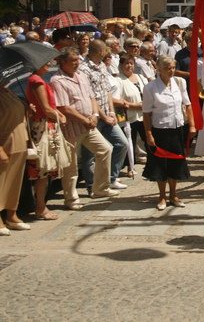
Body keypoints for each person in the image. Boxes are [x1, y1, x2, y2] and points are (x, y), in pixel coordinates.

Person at [51, 48, 116, 204]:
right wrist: (84, 119)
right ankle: (71, 198)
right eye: (73, 61)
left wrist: (94, 115)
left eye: (78, 60)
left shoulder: (81, 75)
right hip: (71, 128)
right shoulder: (57, 80)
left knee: (105, 149)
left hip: (89, 125)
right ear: (63, 62)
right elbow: (64, 107)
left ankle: (100, 188)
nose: (77, 63)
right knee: (71, 165)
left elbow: (92, 97)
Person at [142, 55, 195, 210]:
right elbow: (146, 113)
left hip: (177, 128)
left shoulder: (180, 82)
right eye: (167, 68)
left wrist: (192, 126)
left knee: (176, 163)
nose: (171, 71)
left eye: (173, 67)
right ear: (159, 69)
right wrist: (149, 134)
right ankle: (162, 196)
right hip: (160, 130)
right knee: (161, 164)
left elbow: (188, 104)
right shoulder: (150, 87)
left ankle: (173, 194)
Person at [79, 40, 129, 192]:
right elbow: (90, 96)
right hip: (93, 116)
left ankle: (111, 178)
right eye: (105, 49)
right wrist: (102, 115)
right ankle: (91, 185)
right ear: (100, 51)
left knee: (121, 144)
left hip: (107, 115)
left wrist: (111, 112)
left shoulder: (101, 65)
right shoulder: (84, 69)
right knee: (89, 155)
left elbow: (107, 90)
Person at [26, 60, 67, 220]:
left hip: (44, 125)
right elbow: (46, 109)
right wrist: (60, 116)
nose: (48, 64)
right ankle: (40, 207)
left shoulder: (36, 80)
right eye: (44, 62)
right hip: (43, 127)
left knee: (45, 170)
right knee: (43, 170)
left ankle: (41, 205)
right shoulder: (36, 81)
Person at [0, 79, 31, 234]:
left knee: (15, 181)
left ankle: (12, 215)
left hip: (19, 141)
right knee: (1, 182)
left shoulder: (8, 91)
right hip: (5, 142)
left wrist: (27, 109)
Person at [115, 53, 148, 178]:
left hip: (144, 115)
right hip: (129, 116)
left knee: (147, 138)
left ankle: (154, 162)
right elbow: (117, 100)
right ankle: (130, 166)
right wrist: (134, 106)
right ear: (121, 65)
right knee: (131, 141)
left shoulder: (140, 77)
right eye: (126, 64)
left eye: (131, 63)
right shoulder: (119, 80)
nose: (129, 66)